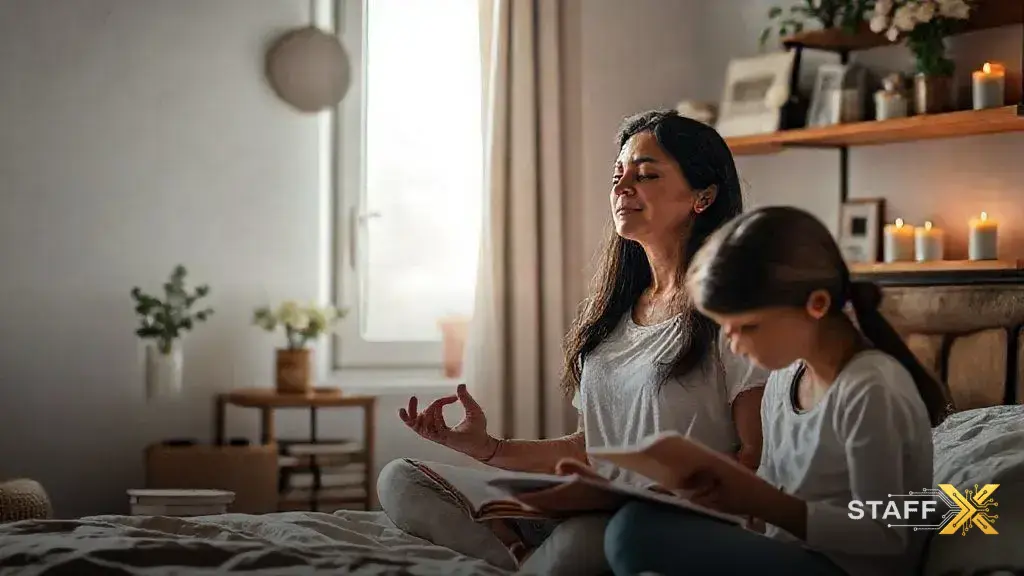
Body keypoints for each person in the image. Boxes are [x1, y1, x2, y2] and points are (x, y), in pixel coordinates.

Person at [375, 109, 768, 571]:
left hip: (660, 522)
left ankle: (530, 556)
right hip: (591, 502)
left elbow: (757, 457)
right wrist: (488, 448)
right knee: (401, 479)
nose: (622, 188)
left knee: (595, 533)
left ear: (702, 196)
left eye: (646, 175)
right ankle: (519, 557)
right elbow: (590, 447)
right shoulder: (613, 313)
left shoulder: (733, 310)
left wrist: (669, 496)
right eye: (618, 175)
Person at [603, 206, 952, 576]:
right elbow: (770, 497)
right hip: (786, 551)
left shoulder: (871, 390)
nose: (734, 346)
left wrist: (767, 503)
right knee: (641, 521)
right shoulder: (785, 377)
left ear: (815, 305)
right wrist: (714, 498)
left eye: (747, 327)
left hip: (843, 568)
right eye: (726, 328)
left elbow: (889, 533)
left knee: (633, 534)